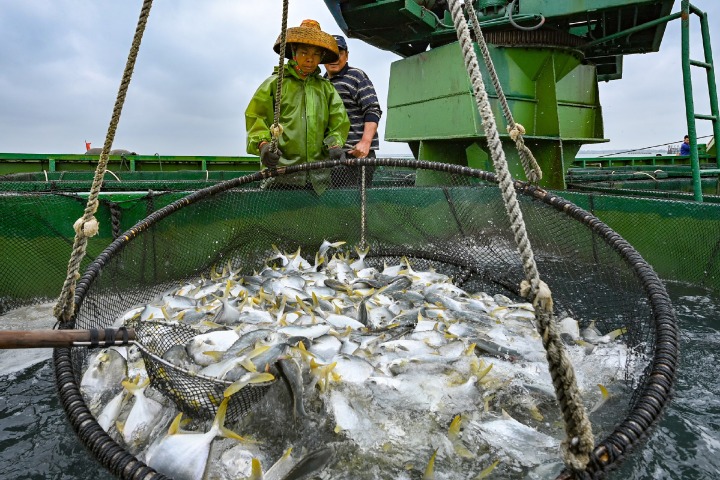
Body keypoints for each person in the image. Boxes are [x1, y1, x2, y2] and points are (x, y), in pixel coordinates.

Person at [246, 19, 350, 193]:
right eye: (304, 52)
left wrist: (334, 145)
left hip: (318, 180)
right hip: (280, 176)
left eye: (316, 54)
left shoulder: (326, 88)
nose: (310, 59)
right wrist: (263, 146)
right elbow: (256, 118)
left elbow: (338, 123)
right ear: (294, 52)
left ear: (322, 57)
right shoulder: (274, 84)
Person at [323, 34, 382, 187]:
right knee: (337, 202)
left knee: (356, 203)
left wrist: (365, 142)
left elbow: (373, 110)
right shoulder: (320, 83)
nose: (335, 58)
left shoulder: (357, 76)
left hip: (358, 154)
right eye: (331, 54)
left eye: (340, 53)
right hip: (333, 154)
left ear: (347, 55)